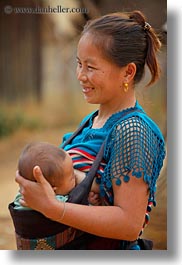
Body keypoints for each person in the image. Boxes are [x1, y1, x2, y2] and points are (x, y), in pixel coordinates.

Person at [15, 10, 166, 250]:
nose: (80, 76)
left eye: (91, 67)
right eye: (79, 64)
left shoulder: (133, 130)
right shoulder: (92, 121)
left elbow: (129, 224)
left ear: (127, 72)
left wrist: (52, 208)